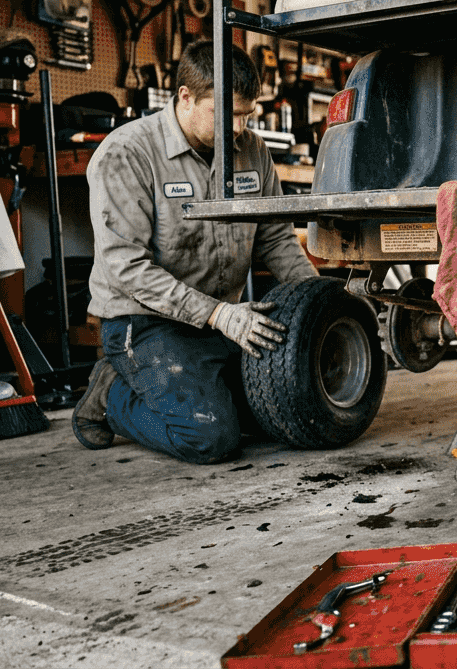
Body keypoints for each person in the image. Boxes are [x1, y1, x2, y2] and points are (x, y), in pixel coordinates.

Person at [71, 40, 317, 464]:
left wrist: (318, 300)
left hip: (223, 320)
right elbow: (129, 268)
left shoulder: (253, 151)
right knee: (212, 435)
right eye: (228, 115)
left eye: (247, 114)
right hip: (145, 323)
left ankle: (189, 381)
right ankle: (111, 394)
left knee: (287, 407)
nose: (240, 127)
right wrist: (219, 314)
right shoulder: (126, 152)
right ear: (185, 97)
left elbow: (275, 238)